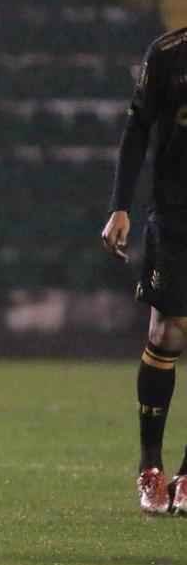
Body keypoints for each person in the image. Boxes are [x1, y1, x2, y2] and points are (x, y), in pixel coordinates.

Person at [102, 27, 187, 516]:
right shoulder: (169, 54)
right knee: (167, 332)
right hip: (174, 214)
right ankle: (151, 464)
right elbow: (137, 128)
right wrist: (120, 207)